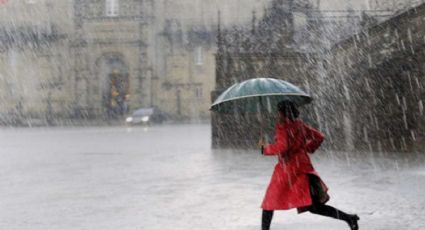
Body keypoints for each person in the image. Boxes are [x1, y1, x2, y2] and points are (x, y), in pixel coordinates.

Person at [259, 101, 359, 230]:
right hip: (303, 168)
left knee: (269, 202)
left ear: (283, 113)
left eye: (279, 112)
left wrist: (265, 149)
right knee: (314, 207)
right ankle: (349, 218)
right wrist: (306, 148)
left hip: (287, 171)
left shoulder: (283, 127)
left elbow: (282, 146)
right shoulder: (299, 125)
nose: (277, 115)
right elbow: (319, 137)